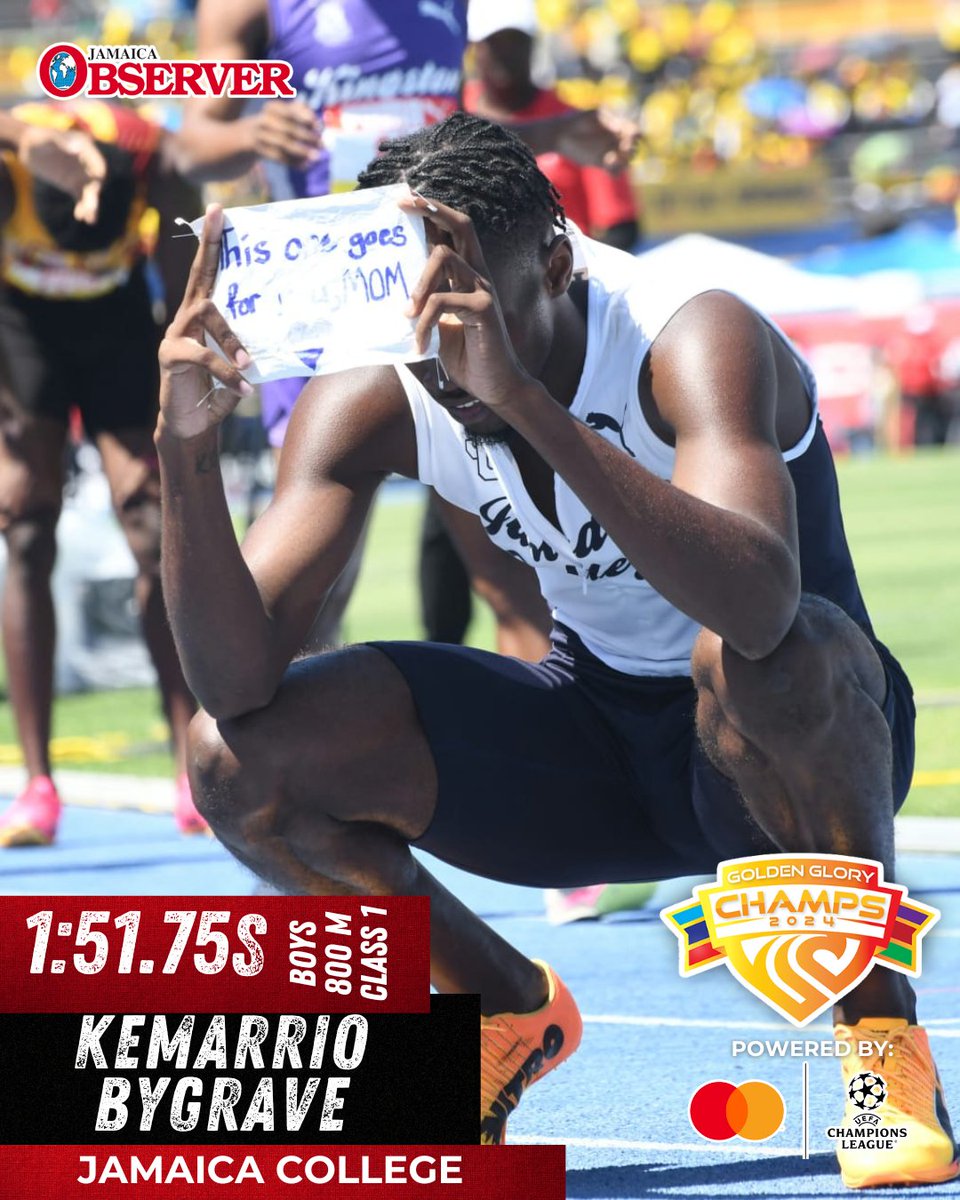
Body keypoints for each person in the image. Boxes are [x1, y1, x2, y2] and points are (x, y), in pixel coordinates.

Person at [156, 114, 954, 1187]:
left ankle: (880, 1045)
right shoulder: (379, 388)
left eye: (462, 309)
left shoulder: (688, 331)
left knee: (756, 656)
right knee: (235, 757)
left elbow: (762, 606)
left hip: (795, 755)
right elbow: (236, 679)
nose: (435, 352)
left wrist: (524, 405)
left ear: (557, 265)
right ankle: (500, 1012)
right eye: (411, 316)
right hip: (599, 742)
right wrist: (185, 452)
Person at [0, 100, 204, 846]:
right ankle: (37, 785)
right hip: (20, 325)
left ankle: (192, 766)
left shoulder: (145, 149)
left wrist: (188, 342)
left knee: (153, 522)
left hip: (117, 322)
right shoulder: (15, 154)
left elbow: (182, 264)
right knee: (25, 525)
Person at [465, 0, 640, 252]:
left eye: (516, 41)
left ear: (533, 44)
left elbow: (620, 227)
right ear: (474, 47)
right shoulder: (450, 115)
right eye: (494, 42)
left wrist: (571, 279)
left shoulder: (577, 122)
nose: (506, 53)